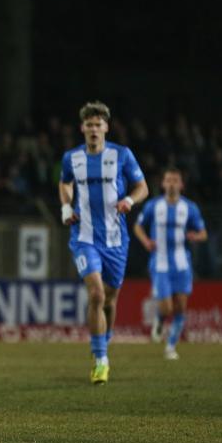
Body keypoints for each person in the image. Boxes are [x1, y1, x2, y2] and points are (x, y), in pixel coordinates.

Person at [59, 101, 148, 384]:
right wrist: (65, 207)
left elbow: (143, 187)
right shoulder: (72, 158)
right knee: (96, 295)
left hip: (116, 241)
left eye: (98, 125)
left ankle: (102, 344)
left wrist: (130, 200)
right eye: (89, 125)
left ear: (106, 128)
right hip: (84, 238)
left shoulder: (122, 155)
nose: (94, 130)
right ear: (82, 128)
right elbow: (65, 183)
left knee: (110, 300)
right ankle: (101, 360)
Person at [133, 168, 207, 359]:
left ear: (181, 185)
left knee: (181, 307)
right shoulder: (153, 206)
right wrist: (146, 242)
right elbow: (138, 226)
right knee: (167, 308)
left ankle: (170, 347)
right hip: (160, 263)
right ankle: (159, 320)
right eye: (168, 180)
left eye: (175, 180)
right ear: (163, 184)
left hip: (182, 264)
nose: (172, 183)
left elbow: (203, 233)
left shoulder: (190, 207)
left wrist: (195, 236)